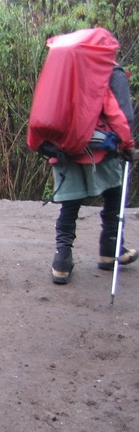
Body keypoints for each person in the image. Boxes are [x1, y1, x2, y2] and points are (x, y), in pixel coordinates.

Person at [49, 64, 136, 285]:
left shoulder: (61, 75)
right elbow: (121, 115)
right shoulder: (105, 73)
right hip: (99, 149)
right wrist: (127, 145)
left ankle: (62, 261)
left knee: (69, 205)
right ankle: (110, 248)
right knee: (114, 195)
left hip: (62, 150)